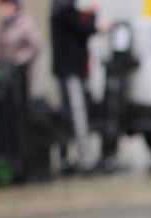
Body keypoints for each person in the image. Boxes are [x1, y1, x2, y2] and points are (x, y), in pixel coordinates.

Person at [50, 0, 102, 173]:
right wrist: (94, 13)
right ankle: (85, 160)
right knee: (78, 114)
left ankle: (64, 159)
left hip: (66, 70)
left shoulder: (59, 8)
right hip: (71, 71)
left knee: (67, 115)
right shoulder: (65, 8)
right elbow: (85, 28)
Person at [0, 0, 43, 94]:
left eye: (6, 5)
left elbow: (36, 44)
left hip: (22, 74)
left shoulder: (24, 22)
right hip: (7, 72)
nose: (3, 8)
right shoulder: (5, 24)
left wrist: (18, 60)